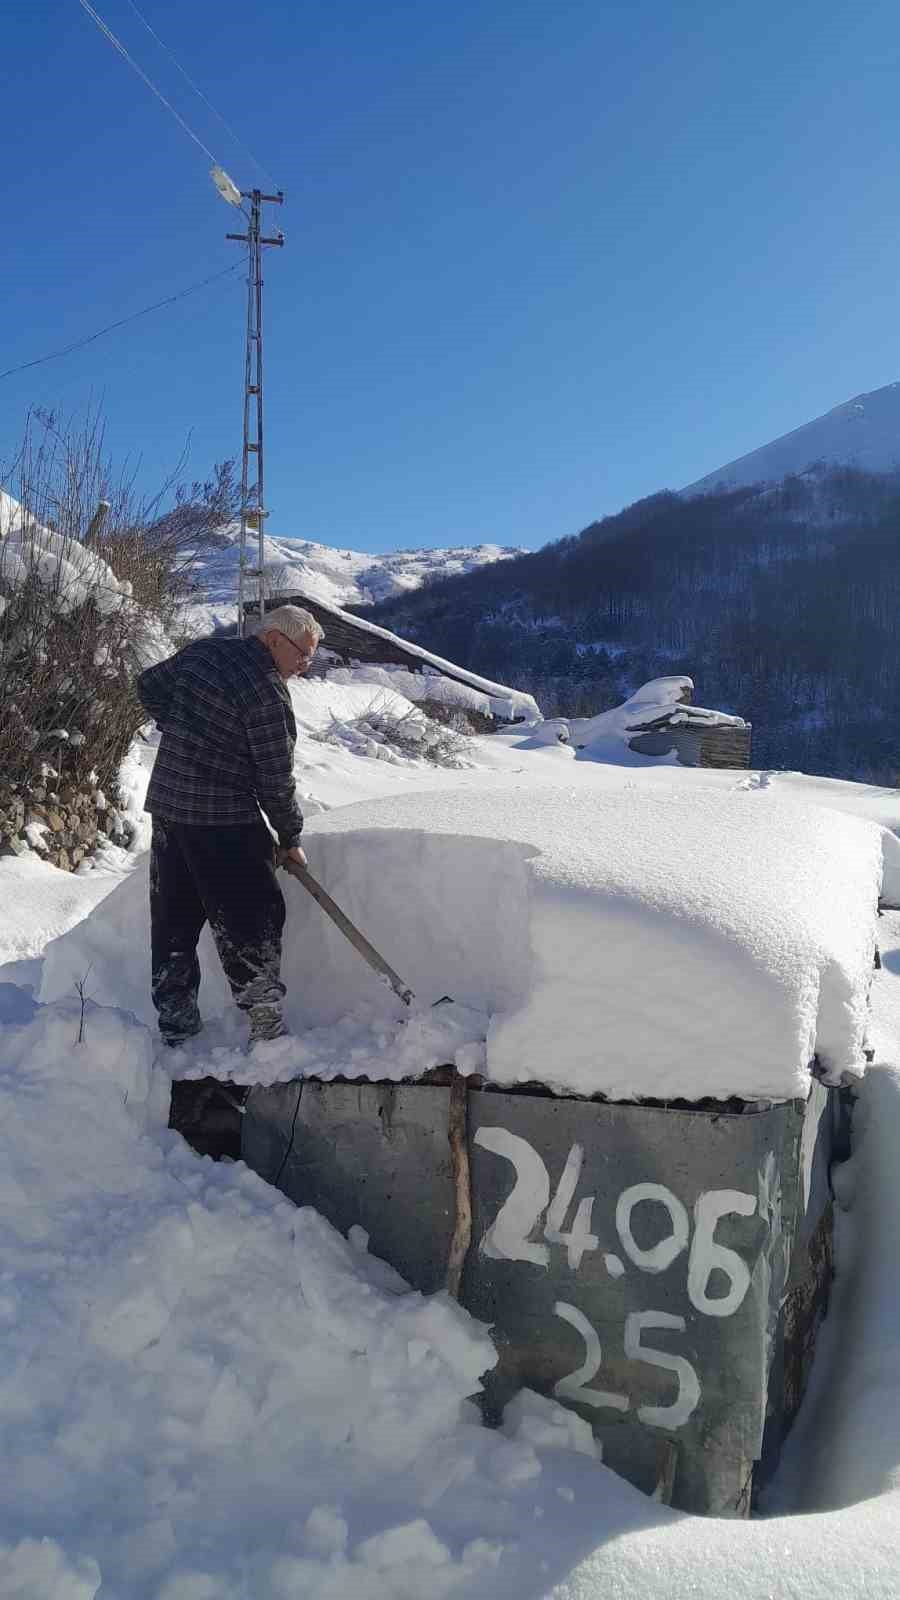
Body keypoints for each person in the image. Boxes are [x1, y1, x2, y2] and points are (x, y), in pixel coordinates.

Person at [136, 605, 324, 1049]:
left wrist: (182, 727)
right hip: (224, 822)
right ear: (274, 639)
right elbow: (275, 778)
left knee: (173, 922)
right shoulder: (266, 694)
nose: (305, 665)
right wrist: (290, 837)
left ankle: (176, 1028)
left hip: (170, 811)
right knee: (251, 918)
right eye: (303, 654)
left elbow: (148, 686)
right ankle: (265, 1026)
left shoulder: (203, 654)